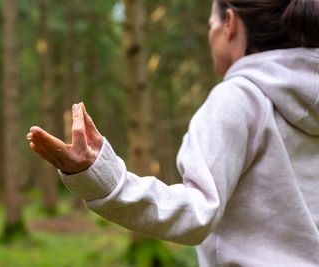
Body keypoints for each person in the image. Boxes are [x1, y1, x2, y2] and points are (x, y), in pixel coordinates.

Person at [27, 0, 319, 265]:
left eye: (211, 25)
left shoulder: (238, 99)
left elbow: (197, 214)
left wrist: (100, 177)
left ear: (229, 23)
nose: (210, 35)